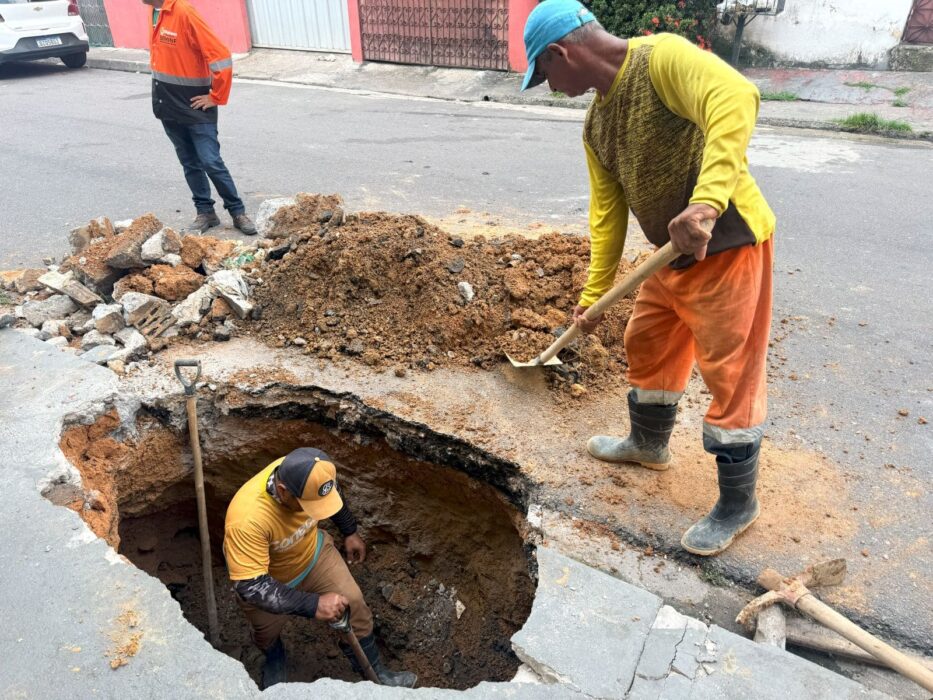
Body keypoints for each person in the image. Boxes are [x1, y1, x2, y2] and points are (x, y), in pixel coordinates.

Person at [521, 1, 776, 556]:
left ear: (563, 52)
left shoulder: (661, 59)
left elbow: (736, 97)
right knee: (649, 342)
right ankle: (648, 443)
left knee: (730, 375)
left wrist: (706, 205)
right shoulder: (596, 126)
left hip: (728, 244)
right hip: (670, 255)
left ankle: (738, 505)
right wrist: (592, 300)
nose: (549, 87)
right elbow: (607, 216)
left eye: (545, 74)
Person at [223, 447, 416, 688]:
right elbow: (251, 586)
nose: (316, 513)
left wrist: (350, 530)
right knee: (266, 633)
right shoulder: (247, 519)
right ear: (283, 491)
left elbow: (331, 495)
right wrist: (314, 604)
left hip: (314, 556)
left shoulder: (310, 473)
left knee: (354, 602)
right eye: (309, 507)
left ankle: (376, 671)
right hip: (269, 583)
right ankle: (274, 656)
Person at [141, 0, 257, 235]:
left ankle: (237, 211)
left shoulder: (183, 11)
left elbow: (220, 56)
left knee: (210, 161)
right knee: (189, 162)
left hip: (195, 106)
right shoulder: (155, 13)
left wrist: (216, 96)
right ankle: (205, 212)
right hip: (168, 104)